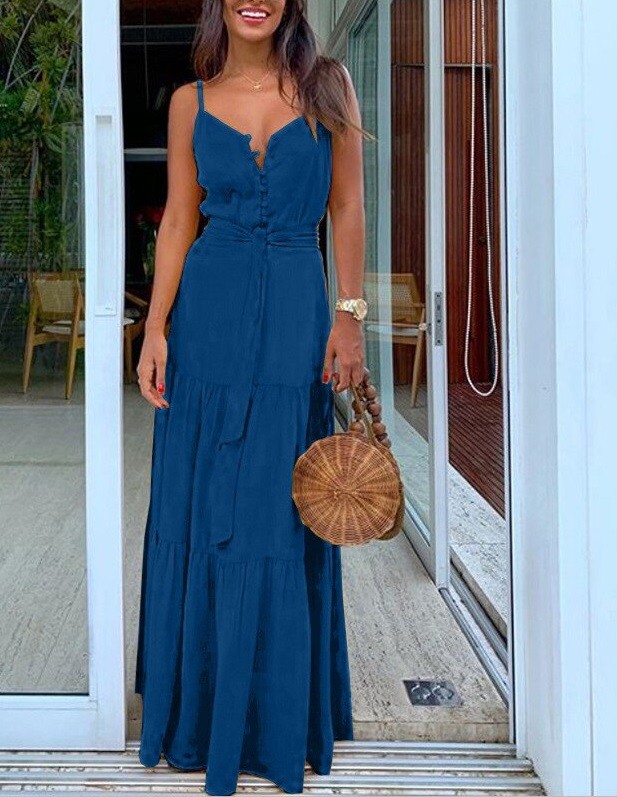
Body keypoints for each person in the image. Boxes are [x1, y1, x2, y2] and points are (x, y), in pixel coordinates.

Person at [134, 1, 370, 794]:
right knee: (207, 504)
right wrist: (155, 327)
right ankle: (202, 715)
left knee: (277, 507)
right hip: (208, 319)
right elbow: (178, 221)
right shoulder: (188, 103)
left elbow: (346, 205)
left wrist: (349, 316)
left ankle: (273, 721)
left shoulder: (329, 86)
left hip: (297, 319)